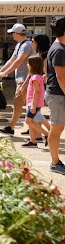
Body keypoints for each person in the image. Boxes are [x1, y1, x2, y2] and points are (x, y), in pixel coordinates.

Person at [0, 24, 33, 135]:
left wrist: (5, 73)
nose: (11, 35)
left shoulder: (26, 45)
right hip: (21, 78)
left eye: (12, 33)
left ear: (17, 33)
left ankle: (10, 127)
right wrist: (0, 71)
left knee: (18, 104)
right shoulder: (19, 45)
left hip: (25, 79)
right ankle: (33, 128)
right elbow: (11, 60)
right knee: (27, 104)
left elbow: (19, 61)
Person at [45, 17, 65, 175]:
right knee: (56, 127)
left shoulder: (59, 46)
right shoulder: (59, 49)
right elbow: (61, 76)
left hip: (58, 94)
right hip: (58, 95)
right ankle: (55, 162)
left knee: (58, 126)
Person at [22, 56, 46, 148]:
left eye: (28, 64)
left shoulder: (35, 78)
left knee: (28, 121)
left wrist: (33, 105)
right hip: (32, 103)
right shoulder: (37, 77)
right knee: (31, 121)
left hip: (33, 103)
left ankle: (47, 134)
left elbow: (36, 91)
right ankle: (33, 141)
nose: (27, 65)